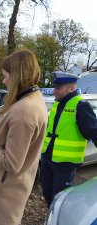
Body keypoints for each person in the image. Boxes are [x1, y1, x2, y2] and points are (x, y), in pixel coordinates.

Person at [0, 49, 48, 225]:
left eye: (5, 75)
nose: (4, 80)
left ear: (17, 75)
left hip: (5, 195)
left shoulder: (24, 110)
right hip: (6, 190)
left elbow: (12, 164)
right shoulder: (28, 100)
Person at [41, 71, 97, 208]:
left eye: (58, 88)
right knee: (48, 195)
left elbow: (94, 132)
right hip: (48, 158)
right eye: (54, 87)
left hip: (65, 164)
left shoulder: (81, 106)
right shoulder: (57, 104)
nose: (54, 91)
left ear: (71, 88)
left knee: (59, 200)